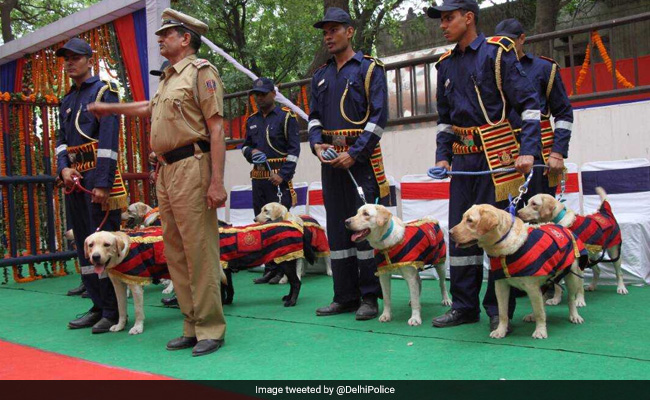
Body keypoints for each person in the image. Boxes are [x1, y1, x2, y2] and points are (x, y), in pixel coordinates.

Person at [88, 8, 227, 357]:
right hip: (166, 172)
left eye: (167, 34)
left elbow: (217, 128)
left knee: (199, 251)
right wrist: (111, 109)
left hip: (193, 166)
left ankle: (210, 327)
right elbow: (147, 109)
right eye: (161, 34)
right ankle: (191, 325)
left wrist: (217, 181)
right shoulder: (168, 78)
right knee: (176, 253)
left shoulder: (201, 72)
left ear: (185, 39)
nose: (161, 38)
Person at [427, 0, 541, 331]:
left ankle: (497, 307)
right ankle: (464, 305)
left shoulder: (497, 52)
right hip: (463, 160)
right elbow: (444, 119)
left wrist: (529, 150)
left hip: (499, 155)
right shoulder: (444, 65)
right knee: (460, 232)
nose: (442, 25)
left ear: (469, 18)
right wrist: (442, 155)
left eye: (448, 19)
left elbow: (530, 103)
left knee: (497, 231)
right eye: (441, 20)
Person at [308, 7, 389, 321]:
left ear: (349, 31)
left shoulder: (369, 70)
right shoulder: (320, 75)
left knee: (365, 228)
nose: (328, 36)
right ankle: (344, 295)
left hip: (361, 162)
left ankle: (370, 296)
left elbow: (379, 118)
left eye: (334, 30)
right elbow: (313, 117)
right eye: (325, 32)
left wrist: (355, 152)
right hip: (330, 163)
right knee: (338, 227)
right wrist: (317, 144)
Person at [55, 38, 124, 333]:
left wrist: (103, 183)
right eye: (66, 59)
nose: (70, 62)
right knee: (85, 245)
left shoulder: (104, 92)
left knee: (104, 246)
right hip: (75, 181)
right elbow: (60, 141)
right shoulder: (67, 100)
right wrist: (64, 169)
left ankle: (113, 310)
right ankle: (97, 306)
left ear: (88, 60)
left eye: (75, 57)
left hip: (98, 180)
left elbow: (109, 141)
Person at [495, 18, 574, 199]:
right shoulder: (492, 72)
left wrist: (558, 151)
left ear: (521, 39)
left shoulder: (544, 68)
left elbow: (563, 113)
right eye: (500, 42)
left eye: (509, 41)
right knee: (505, 218)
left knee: (539, 216)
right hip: (501, 152)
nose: (504, 47)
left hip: (539, 151)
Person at [241, 77, 301, 284]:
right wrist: (250, 152)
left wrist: (283, 174)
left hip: (278, 180)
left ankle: (285, 270)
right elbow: (244, 146)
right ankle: (270, 268)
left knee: (280, 225)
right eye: (256, 95)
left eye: (263, 94)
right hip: (258, 179)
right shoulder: (251, 120)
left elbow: (294, 150)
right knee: (261, 224)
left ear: (273, 94)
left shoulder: (286, 117)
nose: (259, 98)